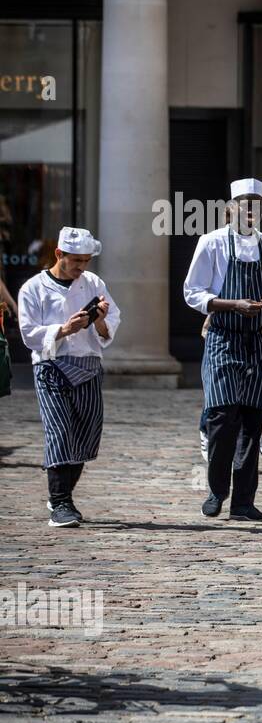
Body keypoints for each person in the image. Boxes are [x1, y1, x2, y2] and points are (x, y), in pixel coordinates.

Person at [183, 178, 262, 521]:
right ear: (230, 208)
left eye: (256, 204)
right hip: (223, 338)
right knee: (221, 417)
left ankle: (244, 501)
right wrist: (230, 304)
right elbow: (193, 291)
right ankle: (217, 491)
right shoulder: (211, 242)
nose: (249, 210)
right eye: (244, 203)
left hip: (258, 338)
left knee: (252, 421)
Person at [17, 226, 120, 527]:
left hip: (88, 365)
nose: (81, 267)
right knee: (60, 432)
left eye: (86, 260)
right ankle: (61, 503)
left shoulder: (93, 283)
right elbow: (28, 334)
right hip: (51, 365)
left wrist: (99, 322)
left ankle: (60, 494)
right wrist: (64, 329)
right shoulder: (32, 288)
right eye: (76, 260)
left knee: (87, 436)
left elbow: (112, 321)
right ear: (59, 254)